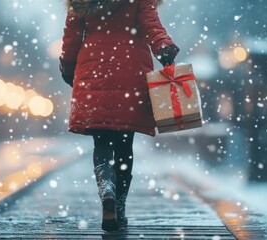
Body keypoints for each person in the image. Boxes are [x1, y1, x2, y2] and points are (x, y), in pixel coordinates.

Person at [59, 0, 179, 231]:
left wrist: (68, 65)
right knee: (125, 144)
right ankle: (120, 207)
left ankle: (107, 192)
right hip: (130, 69)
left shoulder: (80, 2)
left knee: (101, 142)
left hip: (93, 69)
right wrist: (163, 46)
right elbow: (151, 25)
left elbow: (72, 36)